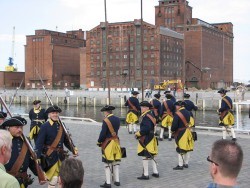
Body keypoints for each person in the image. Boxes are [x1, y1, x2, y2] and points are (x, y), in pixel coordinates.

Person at [35, 105, 78, 188]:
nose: (55, 114)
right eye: (53, 113)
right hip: (50, 157)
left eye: (56, 113)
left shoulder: (62, 125)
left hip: (61, 156)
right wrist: (37, 157)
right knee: (54, 179)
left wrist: (73, 149)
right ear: (49, 115)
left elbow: (66, 140)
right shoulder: (45, 126)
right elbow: (39, 143)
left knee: (61, 179)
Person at [1, 116, 38, 187]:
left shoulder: (26, 141)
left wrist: (39, 173)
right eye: (17, 127)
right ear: (9, 128)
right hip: (8, 181)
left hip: (23, 180)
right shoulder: (3, 140)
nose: (20, 130)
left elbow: (30, 159)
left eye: (21, 127)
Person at [97, 105, 122, 188]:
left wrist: (99, 141)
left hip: (108, 143)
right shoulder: (117, 119)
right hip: (116, 142)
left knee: (107, 163)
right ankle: (117, 181)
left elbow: (103, 133)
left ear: (106, 112)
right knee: (115, 162)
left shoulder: (106, 120)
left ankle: (108, 183)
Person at [135, 101, 159, 180]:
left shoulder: (146, 116)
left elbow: (146, 128)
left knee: (145, 155)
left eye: (143, 107)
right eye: (141, 107)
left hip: (146, 137)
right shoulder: (151, 114)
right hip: (151, 136)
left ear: (147, 108)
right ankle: (155, 172)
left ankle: (145, 174)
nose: (141, 109)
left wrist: (138, 134)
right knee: (152, 154)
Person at [171, 101, 194, 170]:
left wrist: (172, 130)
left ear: (179, 106)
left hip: (180, 132)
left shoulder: (177, 114)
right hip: (188, 131)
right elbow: (191, 122)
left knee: (180, 148)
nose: (175, 107)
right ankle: (186, 163)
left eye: (176, 106)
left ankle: (180, 165)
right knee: (187, 148)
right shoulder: (188, 112)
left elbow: (174, 125)